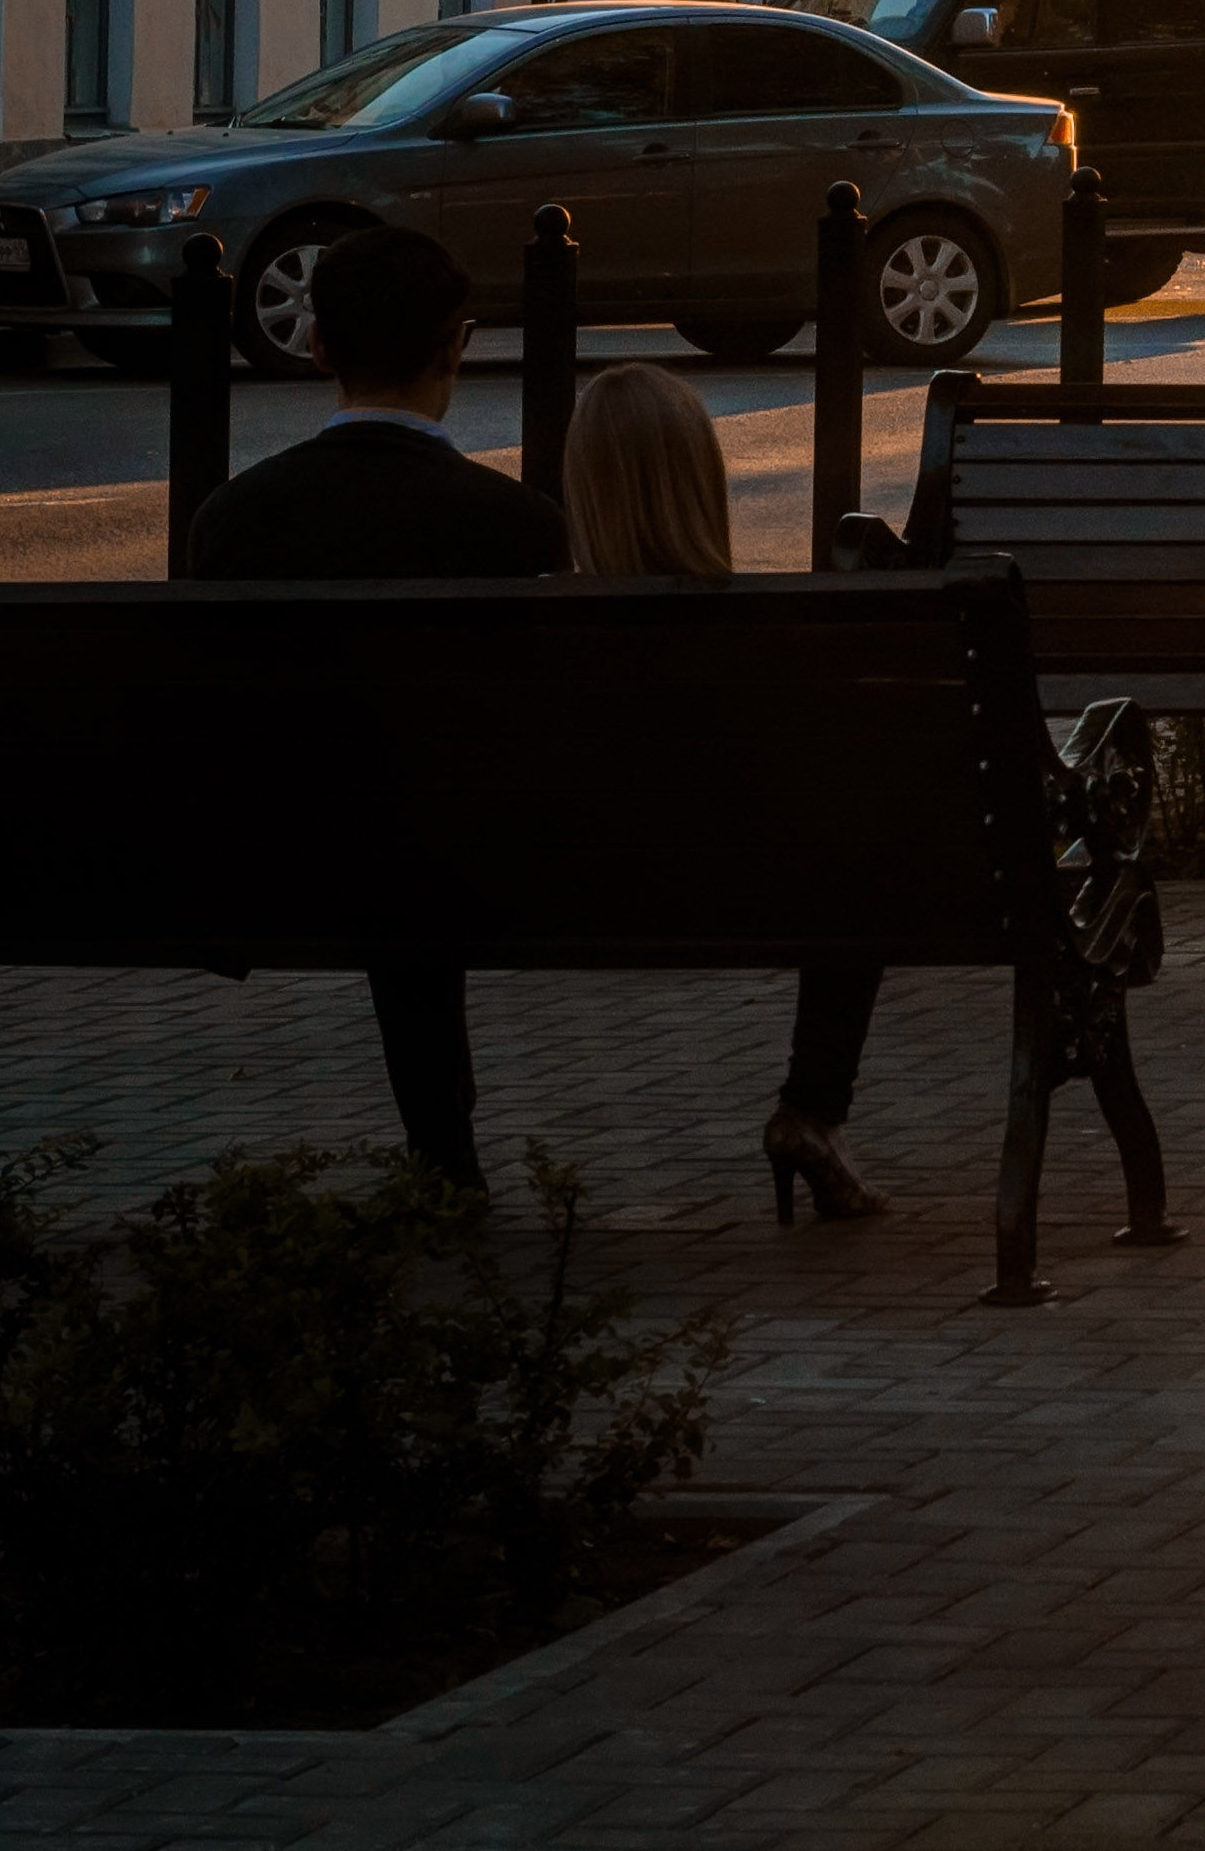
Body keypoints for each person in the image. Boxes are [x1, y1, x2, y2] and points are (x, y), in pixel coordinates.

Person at [180, 223, 570, 1189]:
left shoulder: (232, 520)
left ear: (318, 348)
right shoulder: (517, 524)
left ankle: (442, 1160)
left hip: (267, 864)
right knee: (418, 822)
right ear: (458, 344)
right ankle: (445, 1157)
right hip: (480, 862)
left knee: (380, 817)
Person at [551, 363, 895, 1225]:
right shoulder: (778, 630)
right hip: (763, 897)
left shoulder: (536, 627)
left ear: (580, 486)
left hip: (555, 898)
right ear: (705, 477)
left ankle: (443, 1161)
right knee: (862, 866)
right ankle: (812, 1109)